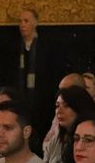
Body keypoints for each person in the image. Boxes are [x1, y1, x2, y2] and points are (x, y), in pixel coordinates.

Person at [14, 8, 68, 139]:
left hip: (42, 100)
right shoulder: (15, 46)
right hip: (22, 99)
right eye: (20, 21)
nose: (22, 25)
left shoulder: (46, 45)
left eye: (26, 21)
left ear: (35, 23)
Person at [43, 85, 95, 163]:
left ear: (80, 108)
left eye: (66, 106)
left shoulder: (94, 136)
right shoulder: (57, 137)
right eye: (57, 106)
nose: (59, 111)